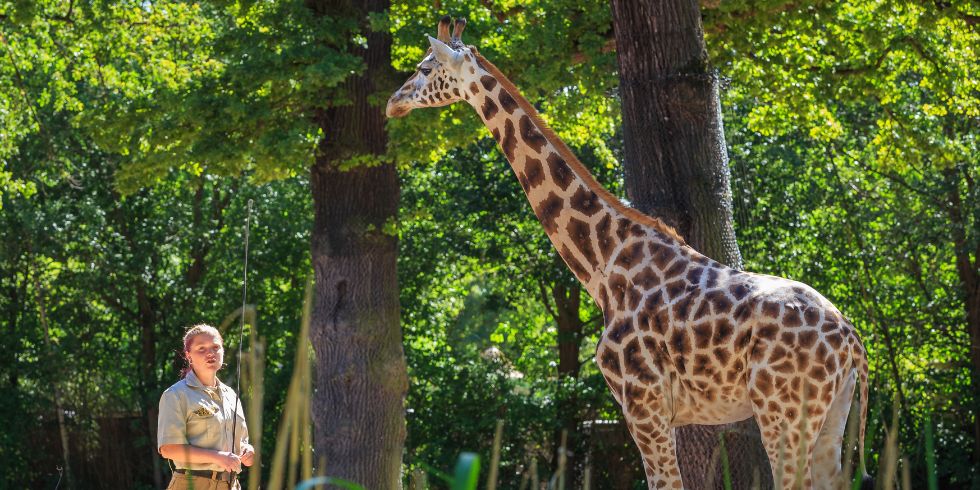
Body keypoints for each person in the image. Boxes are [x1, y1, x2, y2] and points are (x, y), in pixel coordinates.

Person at [158, 324, 255, 490]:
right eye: (201, 349)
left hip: (231, 484)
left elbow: (243, 443)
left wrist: (248, 451)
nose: (210, 353)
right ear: (189, 355)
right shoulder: (175, 395)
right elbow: (169, 449)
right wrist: (218, 457)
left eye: (216, 347)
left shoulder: (231, 395)